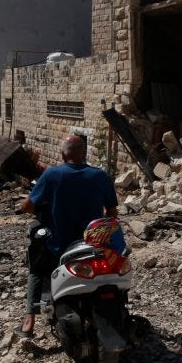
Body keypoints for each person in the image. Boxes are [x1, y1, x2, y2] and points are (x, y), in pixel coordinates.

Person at [17, 135, 118, 337]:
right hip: (92, 244)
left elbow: (28, 205)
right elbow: (112, 212)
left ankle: (29, 320)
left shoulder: (53, 174)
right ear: (84, 154)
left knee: (36, 267)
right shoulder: (100, 176)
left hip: (60, 246)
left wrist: (35, 211)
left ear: (63, 154)